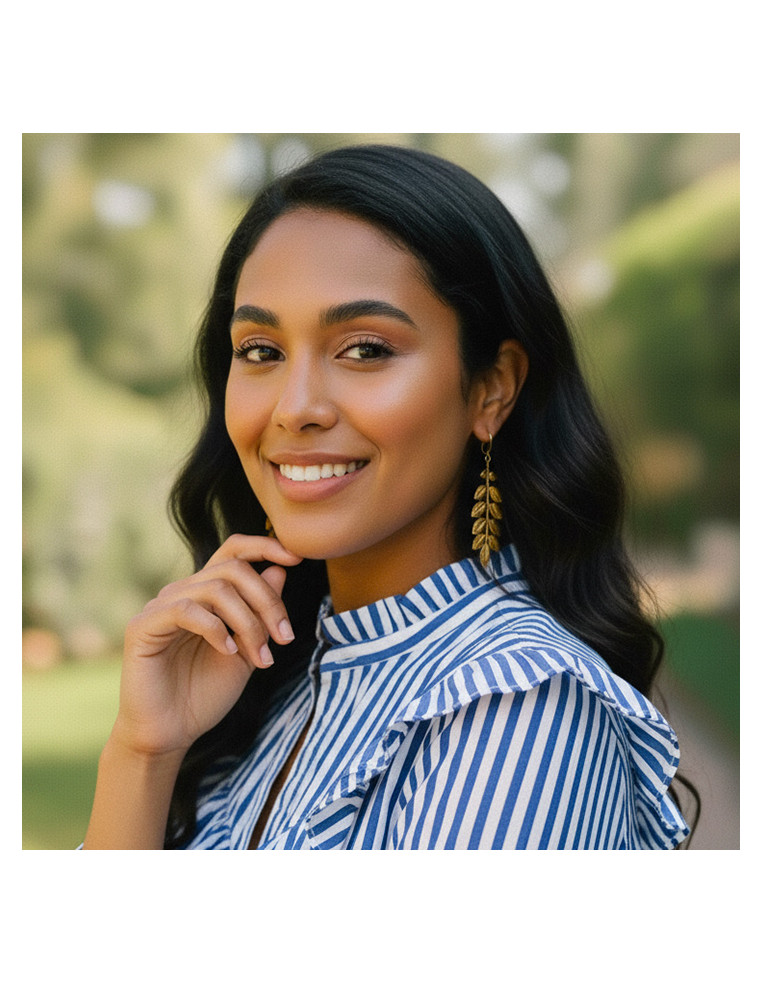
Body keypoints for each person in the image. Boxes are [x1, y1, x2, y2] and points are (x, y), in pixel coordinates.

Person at [82, 143, 692, 850]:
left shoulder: (514, 709)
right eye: (261, 352)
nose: (295, 407)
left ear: (492, 388)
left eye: (365, 349)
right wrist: (144, 751)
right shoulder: (277, 682)